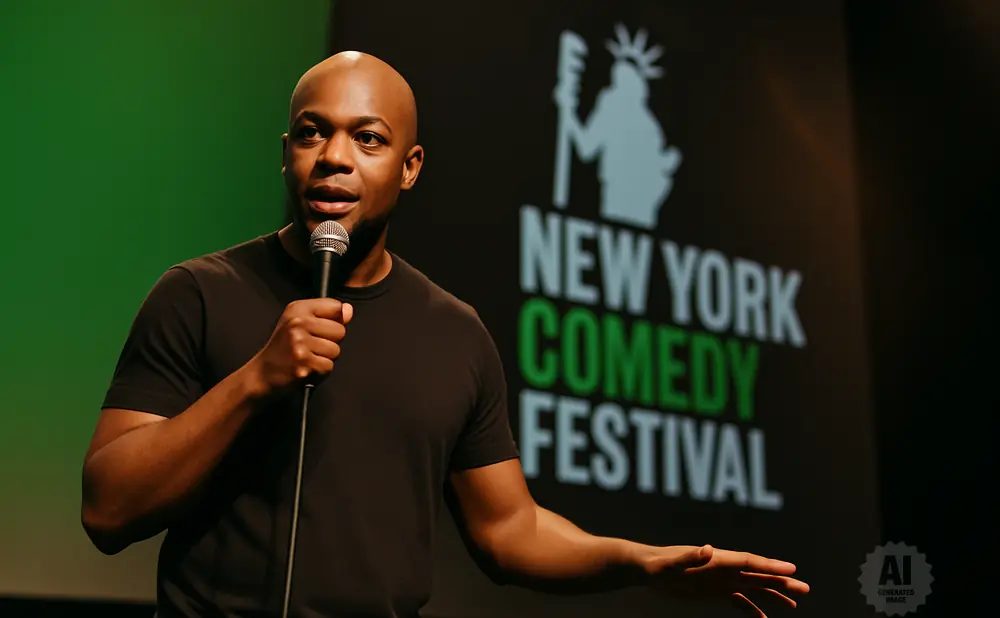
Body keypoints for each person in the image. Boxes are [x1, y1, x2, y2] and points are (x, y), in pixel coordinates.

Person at [81, 51, 809, 618]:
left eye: (368, 138)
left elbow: (509, 531)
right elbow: (109, 509)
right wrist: (254, 380)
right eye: (312, 133)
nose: (334, 156)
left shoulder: (454, 334)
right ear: (287, 154)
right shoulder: (200, 293)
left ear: (410, 168)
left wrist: (636, 562)